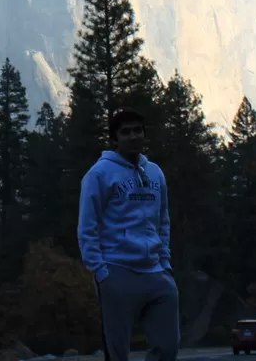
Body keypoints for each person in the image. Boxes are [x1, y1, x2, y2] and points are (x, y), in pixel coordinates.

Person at [77, 107, 180, 361]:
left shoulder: (155, 172)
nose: (133, 137)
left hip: (156, 272)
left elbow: (163, 220)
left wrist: (165, 263)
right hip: (117, 270)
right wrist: (101, 272)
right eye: (126, 132)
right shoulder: (99, 174)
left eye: (138, 131)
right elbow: (86, 227)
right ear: (115, 139)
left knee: (167, 347)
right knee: (118, 353)